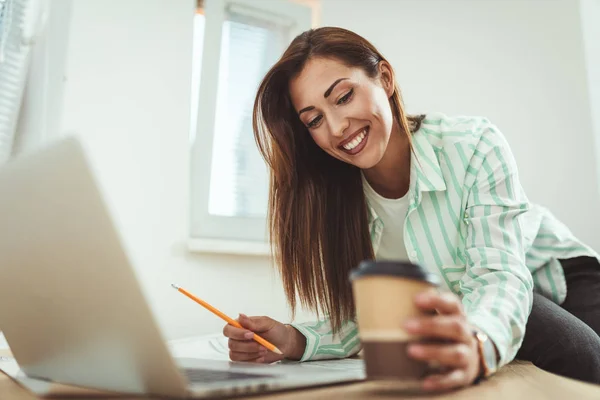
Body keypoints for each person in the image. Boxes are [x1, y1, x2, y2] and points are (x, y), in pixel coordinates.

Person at [222, 27, 600, 390]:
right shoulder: (337, 201)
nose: (336, 127)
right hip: (476, 304)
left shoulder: (473, 145)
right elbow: (373, 318)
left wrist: (477, 343)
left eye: (342, 97)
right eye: (315, 119)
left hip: (553, 274)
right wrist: (293, 339)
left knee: (574, 350)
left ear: (385, 78)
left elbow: (498, 278)